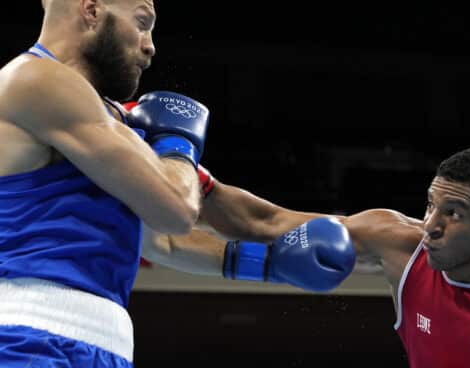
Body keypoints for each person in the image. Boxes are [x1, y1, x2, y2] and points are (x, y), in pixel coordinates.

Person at [0, 1, 354, 367]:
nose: (150, 45)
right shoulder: (35, 79)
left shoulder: (105, 116)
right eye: (141, 23)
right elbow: (177, 209)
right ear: (91, 11)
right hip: (27, 338)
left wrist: (270, 263)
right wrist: (178, 144)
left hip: (99, 343)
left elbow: (162, 241)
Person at [148, 147, 470, 367]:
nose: (431, 225)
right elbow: (265, 223)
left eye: (454, 213)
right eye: (430, 205)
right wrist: (183, 167)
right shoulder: (398, 242)